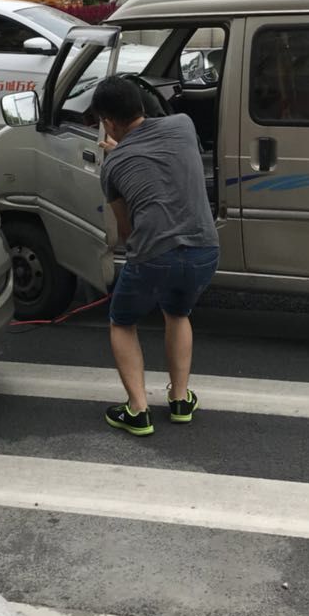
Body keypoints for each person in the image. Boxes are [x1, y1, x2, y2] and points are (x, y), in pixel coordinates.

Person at [93, 76, 220, 436]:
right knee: (178, 312)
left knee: (122, 322)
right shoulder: (183, 125)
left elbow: (127, 230)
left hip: (154, 256)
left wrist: (115, 155)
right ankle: (180, 400)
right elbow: (165, 156)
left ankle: (138, 410)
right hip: (204, 250)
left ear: (109, 121)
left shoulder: (113, 166)